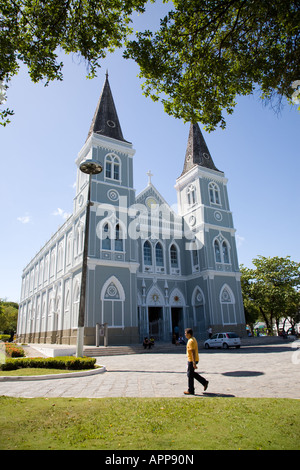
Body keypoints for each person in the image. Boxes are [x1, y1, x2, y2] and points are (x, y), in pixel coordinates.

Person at [184, 328, 209, 395]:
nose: (185, 334)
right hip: (194, 359)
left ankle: (191, 390)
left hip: (192, 360)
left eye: (186, 333)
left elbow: (192, 352)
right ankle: (204, 382)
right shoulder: (193, 339)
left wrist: (194, 363)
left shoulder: (190, 341)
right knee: (191, 374)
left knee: (190, 375)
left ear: (189, 334)